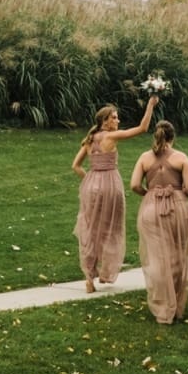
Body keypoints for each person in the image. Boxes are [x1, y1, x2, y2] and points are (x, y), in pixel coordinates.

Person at [72, 94, 158, 293]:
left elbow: (75, 166)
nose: (118, 121)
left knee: (91, 229)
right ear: (105, 121)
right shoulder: (110, 136)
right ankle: (105, 271)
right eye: (115, 118)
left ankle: (89, 279)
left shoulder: (89, 139)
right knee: (110, 227)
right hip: (110, 184)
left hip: (92, 185)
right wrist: (151, 106)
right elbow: (142, 129)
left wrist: (89, 181)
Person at [130, 120, 188, 323]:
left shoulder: (144, 158)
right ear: (172, 137)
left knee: (157, 258)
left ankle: (162, 306)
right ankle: (174, 304)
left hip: (151, 208)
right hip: (177, 208)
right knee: (177, 256)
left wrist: (149, 194)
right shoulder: (180, 158)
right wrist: (181, 192)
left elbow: (134, 185)